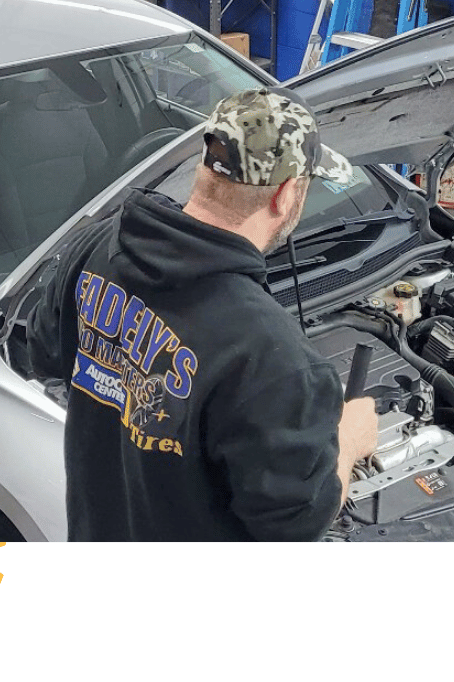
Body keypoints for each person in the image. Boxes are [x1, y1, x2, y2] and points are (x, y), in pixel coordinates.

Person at [27, 87, 379, 542]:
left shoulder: (95, 246)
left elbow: (43, 357)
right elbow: (295, 524)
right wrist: (349, 440)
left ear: (204, 166)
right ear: (287, 194)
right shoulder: (275, 360)